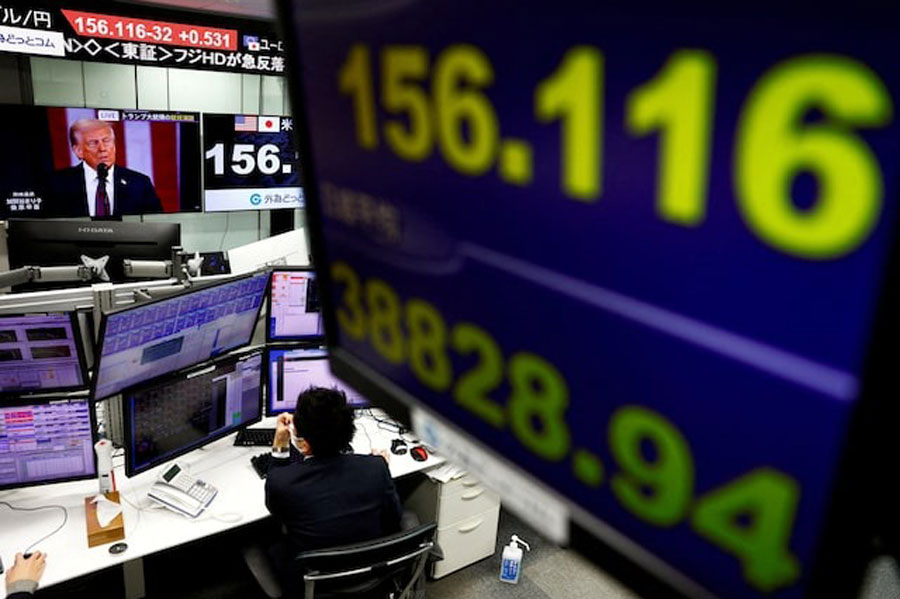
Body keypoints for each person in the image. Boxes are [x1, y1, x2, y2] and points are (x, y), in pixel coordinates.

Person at [244, 387, 402, 598]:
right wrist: (373, 464)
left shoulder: (282, 481)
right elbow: (394, 519)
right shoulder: (376, 467)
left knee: (262, 545)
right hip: (372, 577)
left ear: (305, 445)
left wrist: (279, 446)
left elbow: (277, 512)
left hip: (312, 586)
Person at [50, 119, 162, 217]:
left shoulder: (140, 183)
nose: (102, 148)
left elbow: (156, 225)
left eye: (106, 141)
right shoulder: (57, 184)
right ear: (78, 151)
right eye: (93, 143)